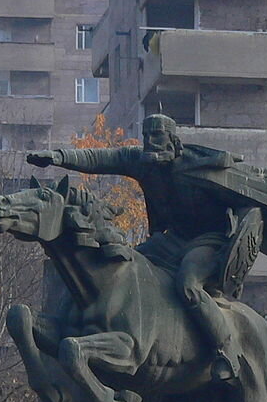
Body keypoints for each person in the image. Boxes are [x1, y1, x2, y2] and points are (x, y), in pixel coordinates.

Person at [27, 114, 249, 382]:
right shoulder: (141, 162)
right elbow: (99, 159)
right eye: (146, 136)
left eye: (157, 136)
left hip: (208, 240)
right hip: (171, 239)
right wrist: (57, 156)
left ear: (173, 140)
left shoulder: (198, 165)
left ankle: (226, 351)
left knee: (188, 285)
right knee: (123, 270)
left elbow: (246, 190)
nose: (150, 142)